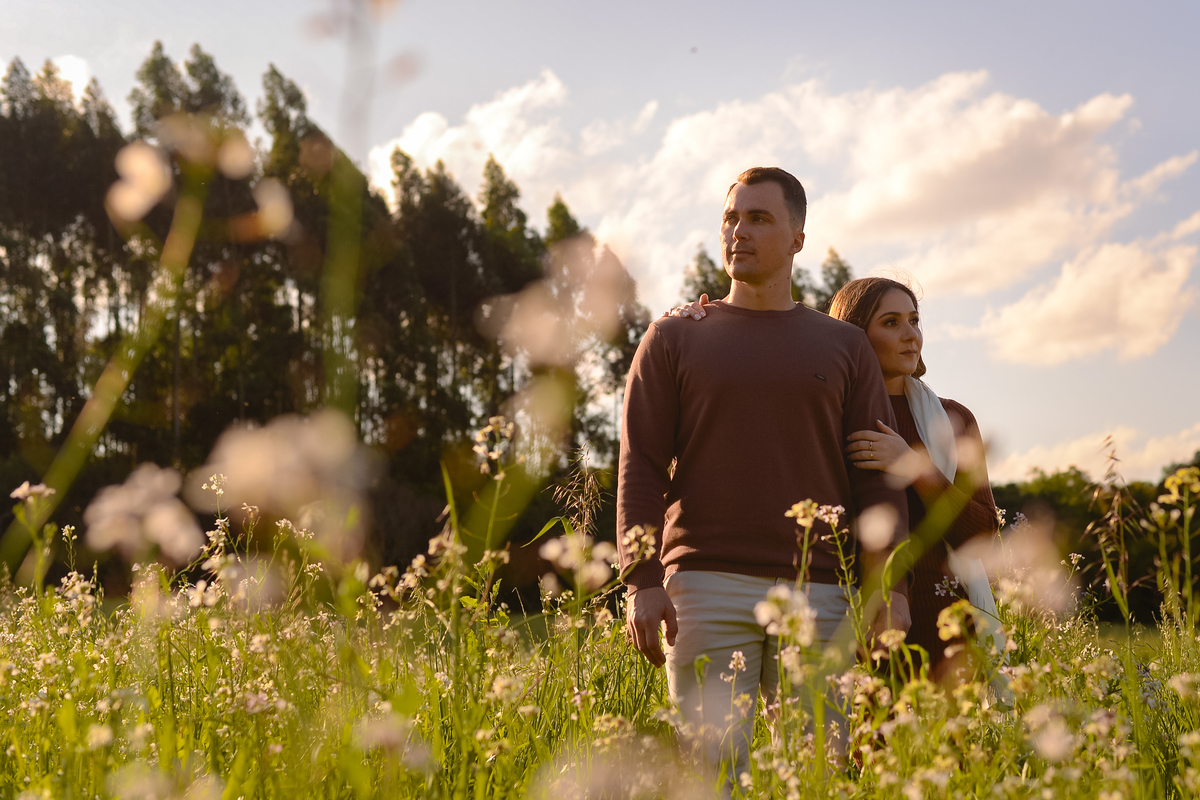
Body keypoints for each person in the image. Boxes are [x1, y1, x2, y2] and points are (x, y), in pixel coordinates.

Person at [616, 167, 910, 783]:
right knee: (710, 779)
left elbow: (876, 476)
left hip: (822, 592)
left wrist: (889, 586)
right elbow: (640, 461)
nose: (738, 231)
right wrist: (641, 578)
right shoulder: (673, 336)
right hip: (703, 586)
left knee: (817, 778)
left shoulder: (844, 346)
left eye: (758, 218)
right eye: (731, 218)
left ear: (797, 238)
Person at [671, 277, 1000, 682]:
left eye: (914, 321)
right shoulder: (820, 414)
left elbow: (984, 534)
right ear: (853, 336)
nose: (911, 335)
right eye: (891, 323)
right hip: (844, 617)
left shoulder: (951, 420)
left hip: (945, 624)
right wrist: (695, 326)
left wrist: (913, 466)